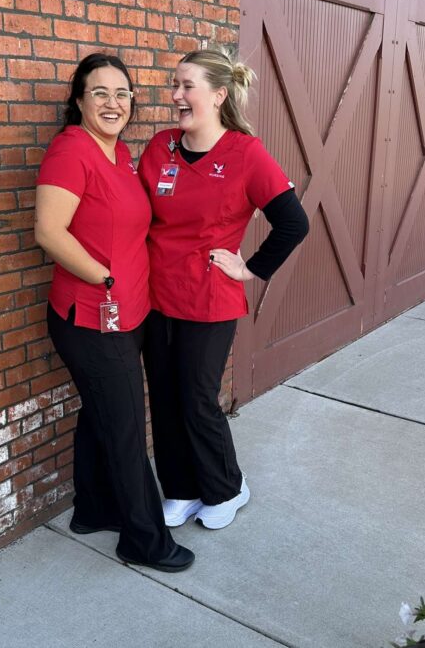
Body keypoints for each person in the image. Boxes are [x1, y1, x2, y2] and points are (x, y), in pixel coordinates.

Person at [138, 47, 309, 530]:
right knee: (165, 396)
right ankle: (182, 489)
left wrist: (249, 267)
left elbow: (293, 223)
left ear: (218, 95)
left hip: (208, 299)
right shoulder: (161, 148)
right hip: (155, 297)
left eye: (187, 85)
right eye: (175, 85)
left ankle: (226, 488)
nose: (176, 95)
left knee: (195, 397)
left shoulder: (245, 153)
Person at [34, 53, 194, 572]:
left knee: (100, 416)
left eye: (122, 93)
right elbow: (49, 232)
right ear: (78, 100)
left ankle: (92, 510)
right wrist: (104, 276)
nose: (113, 102)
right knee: (125, 427)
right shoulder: (70, 152)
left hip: (128, 315)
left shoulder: (121, 154)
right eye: (99, 92)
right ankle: (144, 541)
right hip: (90, 317)